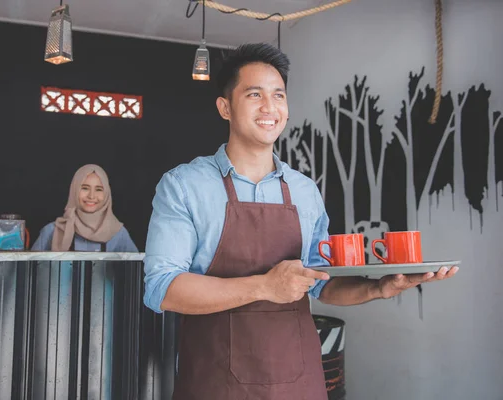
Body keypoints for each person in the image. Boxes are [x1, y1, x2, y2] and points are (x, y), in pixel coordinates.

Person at [143, 43, 457, 400]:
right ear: (225, 107)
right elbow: (162, 289)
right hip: (215, 384)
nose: (269, 108)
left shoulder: (305, 191)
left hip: (298, 383)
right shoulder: (184, 185)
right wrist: (264, 286)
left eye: (279, 95)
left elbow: (321, 284)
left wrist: (379, 287)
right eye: (254, 94)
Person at [32, 164, 138, 252]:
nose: (91, 196)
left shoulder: (118, 234)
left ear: (106, 194)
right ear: (74, 189)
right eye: (85, 188)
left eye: (99, 189)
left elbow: (136, 273)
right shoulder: (53, 231)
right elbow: (31, 272)